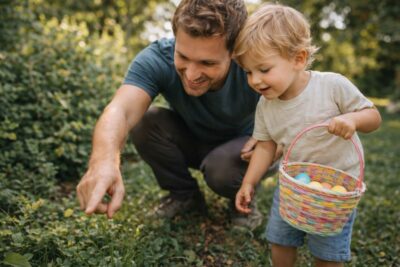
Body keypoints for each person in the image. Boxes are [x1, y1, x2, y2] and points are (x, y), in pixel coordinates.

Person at [76, 0, 279, 230]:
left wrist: (273, 138)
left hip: (244, 149)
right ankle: (185, 195)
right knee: (145, 121)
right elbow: (119, 110)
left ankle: (242, 202)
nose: (192, 74)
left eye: (207, 63)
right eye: (183, 56)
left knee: (221, 169)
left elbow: (297, 104)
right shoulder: (157, 58)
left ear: (234, 53)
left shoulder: (255, 64)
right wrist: (103, 161)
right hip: (194, 138)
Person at [233, 3, 381, 267]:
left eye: (264, 69)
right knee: (280, 240)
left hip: (336, 190)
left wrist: (352, 119)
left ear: (298, 59)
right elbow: (266, 146)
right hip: (293, 187)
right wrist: (249, 182)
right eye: (248, 72)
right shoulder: (266, 104)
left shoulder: (332, 86)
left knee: (327, 252)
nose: (255, 80)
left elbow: (374, 117)